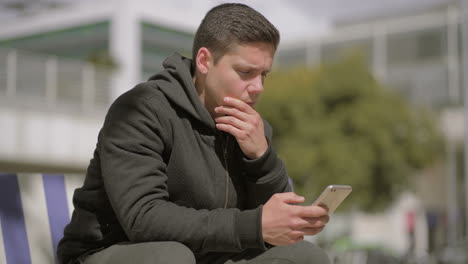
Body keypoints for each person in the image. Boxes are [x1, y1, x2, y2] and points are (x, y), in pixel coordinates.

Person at [57, 3, 330, 264]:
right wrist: (253, 226)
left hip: (204, 255)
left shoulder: (254, 129)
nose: (258, 87)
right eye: (245, 72)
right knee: (171, 257)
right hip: (109, 253)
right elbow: (143, 219)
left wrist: (262, 157)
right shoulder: (141, 110)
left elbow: (274, 228)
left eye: (264, 75)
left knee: (307, 257)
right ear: (204, 61)